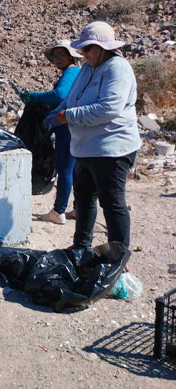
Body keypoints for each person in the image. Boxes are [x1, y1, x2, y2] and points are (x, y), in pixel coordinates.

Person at [44, 21, 141, 249]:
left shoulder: (117, 68)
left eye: (88, 48)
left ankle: (118, 255)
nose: (84, 53)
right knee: (85, 201)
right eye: (83, 49)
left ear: (103, 47)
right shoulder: (88, 68)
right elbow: (72, 97)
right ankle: (81, 249)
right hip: (85, 148)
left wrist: (70, 115)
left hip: (112, 148)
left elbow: (109, 108)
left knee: (112, 202)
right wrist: (58, 112)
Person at [21, 40, 82, 224]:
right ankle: (79, 208)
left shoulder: (71, 72)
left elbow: (60, 95)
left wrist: (34, 96)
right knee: (76, 169)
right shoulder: (77, 73)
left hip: (67, 125)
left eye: (60, 54)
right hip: (76, 125)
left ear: (70, 56)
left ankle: (58, 211)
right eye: (54, 55)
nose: (56, 59)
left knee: (64, 168)